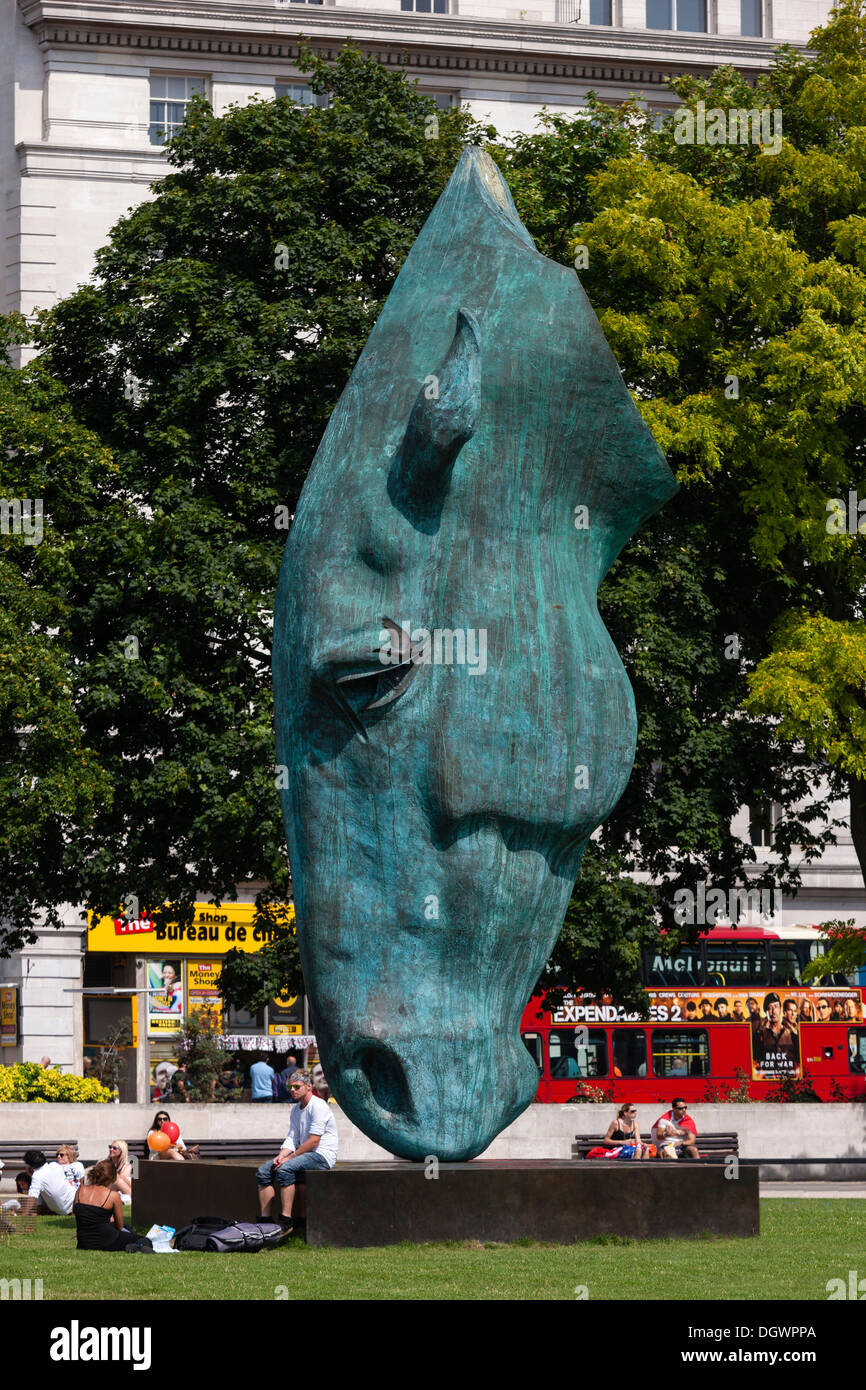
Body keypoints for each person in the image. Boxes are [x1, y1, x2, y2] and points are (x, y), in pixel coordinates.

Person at [255, 1071, 338, 1231]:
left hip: (322, 1155)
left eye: (296, 1087)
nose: (292, 1090)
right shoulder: (296, 1110)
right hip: (305, 1154)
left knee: (285, 1168)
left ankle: (286, 1220)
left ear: (309, 1086)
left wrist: (290, 1158)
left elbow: (314, 1141)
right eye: (290, 1087)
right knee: (263, 1171)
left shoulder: (318, 1106)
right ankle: (265, 1220)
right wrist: (281, 1155)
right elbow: (292, 1138)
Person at [73, 1160, 144, 1251]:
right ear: (112, 1178)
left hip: (84, 1242)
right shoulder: (113, 1195)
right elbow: (119, 1226)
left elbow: (78, 1212)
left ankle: (132, 1245)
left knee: (126, 1228)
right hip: (107, 1242)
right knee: (142, 1239)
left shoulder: (80, 1191)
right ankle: (136, 1246)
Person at [21, 1149, 82, 1215]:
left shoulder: (37, 1177)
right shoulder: (55, 1165)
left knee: (39, 1191)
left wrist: (23, 1215)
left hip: (67, 1210)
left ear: (30, 1165)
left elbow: (32, 1198)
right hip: (76, 1199)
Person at [753, 992, 798, 1076]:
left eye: (776, 1006)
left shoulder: (792, 1035)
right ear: (765, 1012)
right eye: (770, 1008)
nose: (774, 1011)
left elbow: (799, 1062)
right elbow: (755, 1063)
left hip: (789, 1080)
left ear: (780, 1009)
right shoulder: (759, 1036)